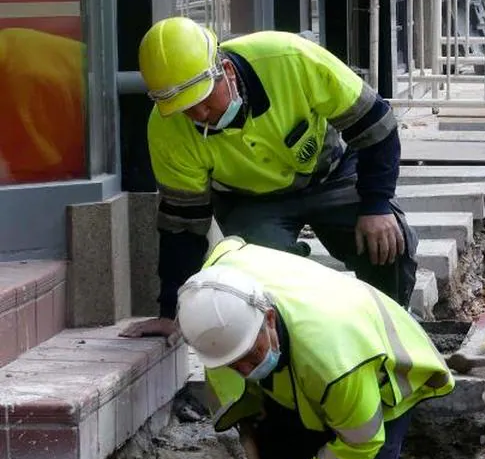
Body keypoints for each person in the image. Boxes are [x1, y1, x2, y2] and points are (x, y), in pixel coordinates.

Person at [120, 17, 417, 341]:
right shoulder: (166, 131)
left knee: (389, 245)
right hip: (251, 202)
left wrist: (376, 204)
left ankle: (391, 335)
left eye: (205, 100)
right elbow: (183, 224)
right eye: (186, 109)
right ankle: (302, 352)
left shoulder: (291, 59)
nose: (200, 114)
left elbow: (376, 126)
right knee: (261, 284)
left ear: (226, 72)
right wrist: (170, 309)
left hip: (330, 175)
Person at [176, 236, 454, 459]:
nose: (246, 370)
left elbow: (359, 445)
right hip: (302, 372)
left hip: (378, 376)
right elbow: (228, 246)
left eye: (252, 356)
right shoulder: (214, 296)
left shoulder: (335, 361)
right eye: (233, 364)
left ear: (268, 318)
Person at [0, 27, 85, 184]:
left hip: (113, 133)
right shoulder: (12, 41)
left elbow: (43, 181)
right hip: (117, 89)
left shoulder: (13, 88)